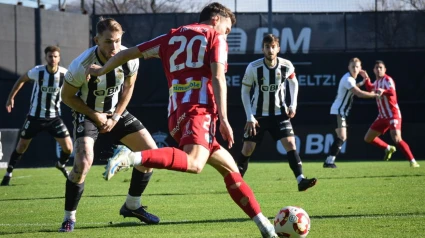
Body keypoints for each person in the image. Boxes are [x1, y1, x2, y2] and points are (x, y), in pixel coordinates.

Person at [87, 3, 278, 237]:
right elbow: (218, 77)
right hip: (199, 110)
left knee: (230, 170)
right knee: (195, 163)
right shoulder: (214, 37)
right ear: (216, 19)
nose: (225, 34)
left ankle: (266, 227)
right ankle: (130, 156)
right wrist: (225, 119)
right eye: (227, 29)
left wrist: (101, 69)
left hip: (177, 113)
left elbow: (128, 53)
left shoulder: (171, 36)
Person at [58, 17, 160, 232]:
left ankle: (132, 206)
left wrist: (114, 117)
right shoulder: (81, 64)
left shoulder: (130, 57)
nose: (114, 47)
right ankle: (69, 218)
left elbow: (128, 88)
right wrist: (96, 115)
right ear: (96, 40)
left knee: (151, 153)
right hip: (86, 113)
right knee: (83, 162)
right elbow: (66, 97)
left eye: (117, 41)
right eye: (107, 42)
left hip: (115, 113)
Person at [235, 34, 316, 192]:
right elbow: (244, 92)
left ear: (278, 48)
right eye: (267, 47)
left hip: (279, 113)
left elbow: (293, 82)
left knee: (291, 144)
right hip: (257, 116)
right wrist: (249, 116)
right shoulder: (253, 67)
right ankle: (236, 183)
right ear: (262, 49)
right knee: (248, 148)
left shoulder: (286, 65)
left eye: (273, 47)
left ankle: (301, 180)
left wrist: (293, 104)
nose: (270, 50)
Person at [1, 46, 73, 186]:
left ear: (59, 58)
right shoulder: (38, 71)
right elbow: (21, 79)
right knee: (21, 146)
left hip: (54, 118)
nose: (53, 59)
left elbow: (77, 83)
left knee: (68, 148)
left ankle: (61, 164)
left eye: (55, 56)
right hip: (34, 117)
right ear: (46, 57)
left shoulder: (65, 74)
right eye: (50, 56)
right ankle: (8, 173)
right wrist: (11, 97)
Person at [323, 58, 383, 168]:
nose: (354, 69)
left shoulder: (350, 79)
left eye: (357, 66)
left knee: (341, 137)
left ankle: (329, 161)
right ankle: (329, 161)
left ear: (360, 68)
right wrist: (375, 94)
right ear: (348, 68)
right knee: (342, 136)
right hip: (338, 111)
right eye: (352, 66)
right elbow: (358, 93)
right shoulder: (348, 79)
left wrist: (363, 82)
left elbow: (354, 88)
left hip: (340, 112)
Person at [362, 60, 420, 168]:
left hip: (393, 114)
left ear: (385, 70)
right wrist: (366, 78)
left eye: (380, 67)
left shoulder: (388, 79)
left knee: (397, 138)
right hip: (382, 116)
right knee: (368, 138)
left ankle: (413, 162)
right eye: (376, 68)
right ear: (374, 70)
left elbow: (392, 92)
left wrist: (383, 91)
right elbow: (370, 88)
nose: (378, 69)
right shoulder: (377, 82)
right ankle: (388, 148)